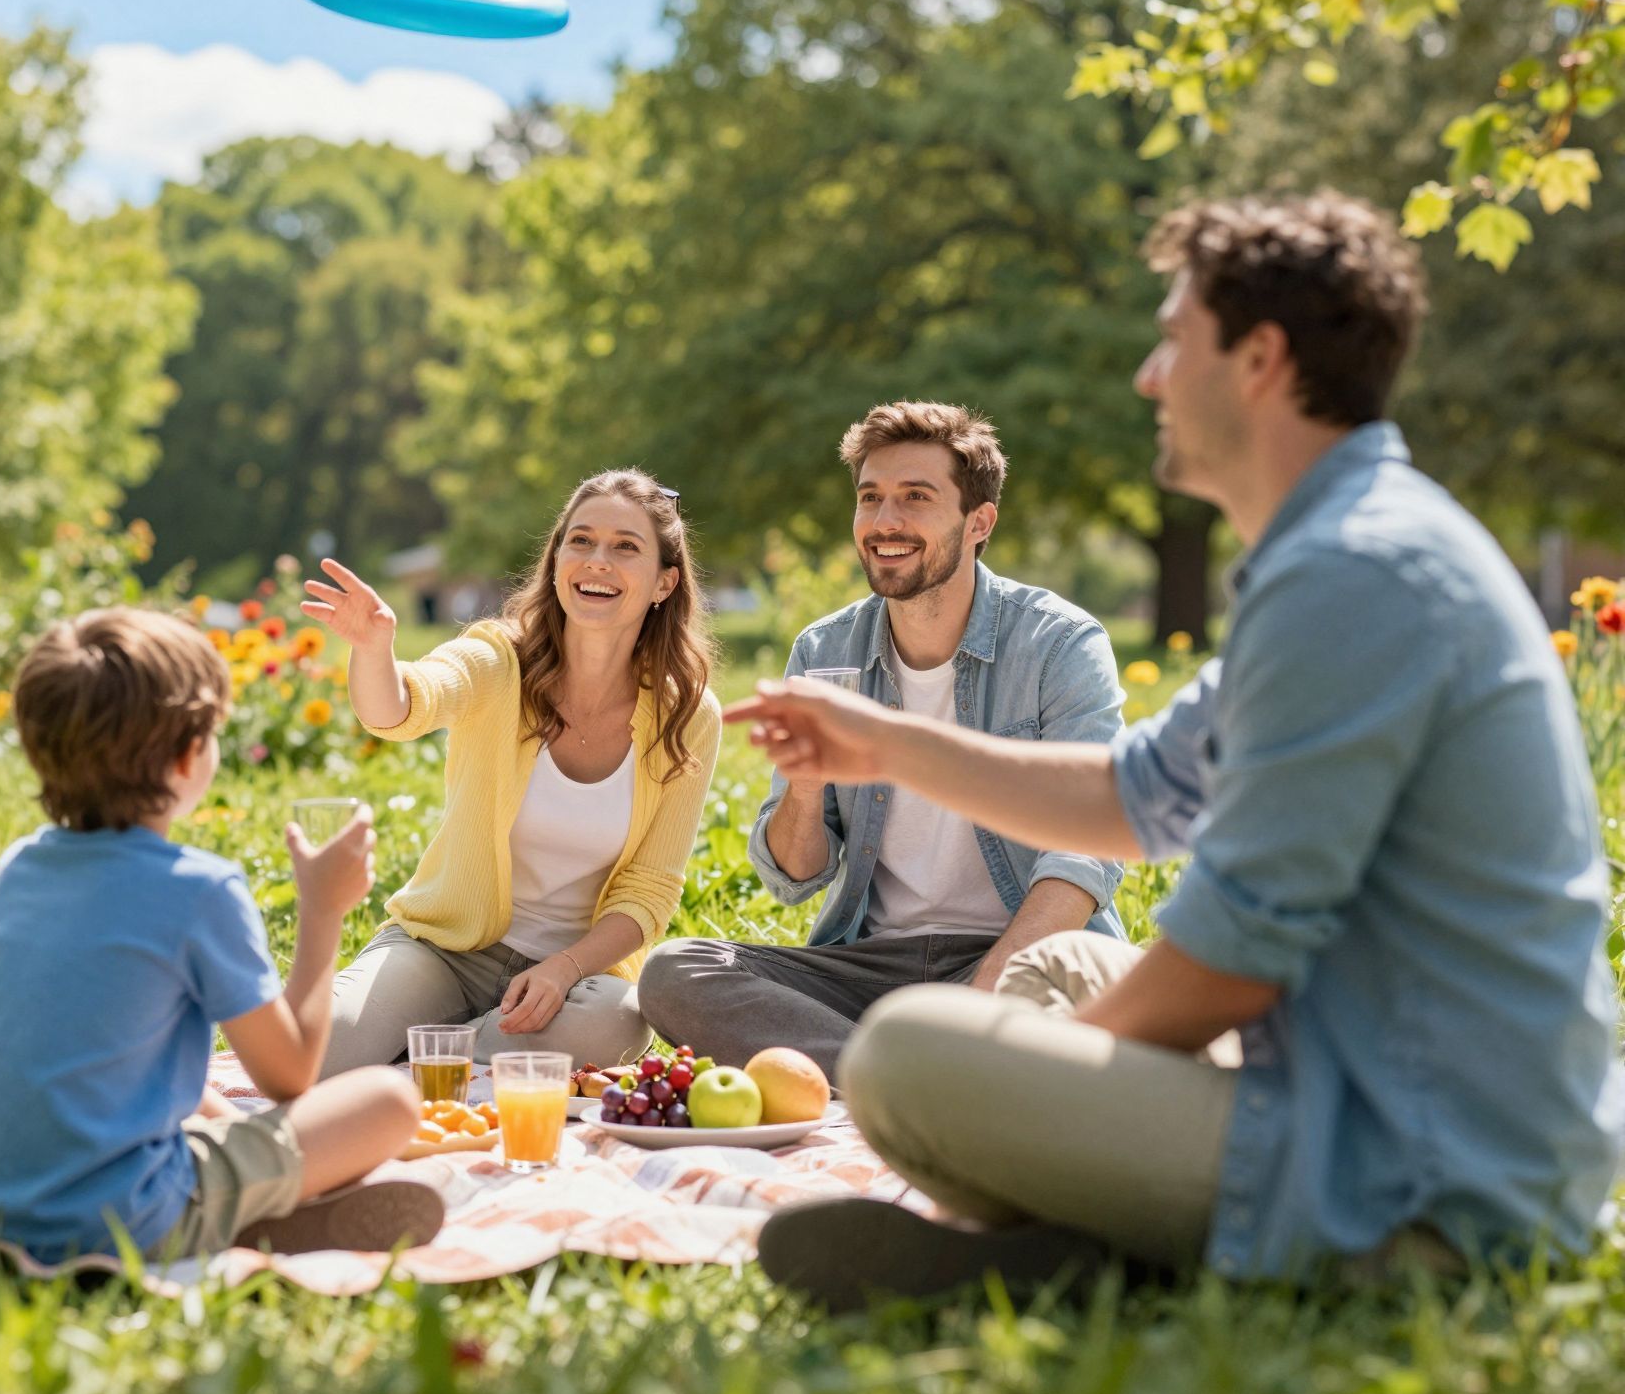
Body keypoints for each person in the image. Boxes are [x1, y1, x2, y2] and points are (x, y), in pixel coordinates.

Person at [729, 192, 1625, 1309]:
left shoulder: (1356, 574)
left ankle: (1122, 1236)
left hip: (1427, 1172)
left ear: (1256, 359)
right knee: (1052, 971)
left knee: (911, 1058)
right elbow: (1133, 790)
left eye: (1171, 340)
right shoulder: (1345, 545)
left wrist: (1035, 1101)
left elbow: (1229, 958)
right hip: (1348, 1069)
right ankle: (1084, 1242)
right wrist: (889, 747)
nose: (1149, 376)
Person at [0, 608, 439, 1263]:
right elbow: (289, 1078)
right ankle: (243, 1218)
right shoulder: (200, 890)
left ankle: (249, 1207)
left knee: (204, 1096)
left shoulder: (18, 868)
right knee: (389, 1099)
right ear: (187, 755)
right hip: (115, 1220)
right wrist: (321, 911)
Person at [637, 403, 1125, 1076]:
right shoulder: (826, 649)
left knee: (1098, 1001)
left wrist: (986, 1000)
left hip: (1017, 959)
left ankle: (887, 1070)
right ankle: (909, 1077)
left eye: (915, 499)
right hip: (871, 968)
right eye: (870, 499)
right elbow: (795, 877)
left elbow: (1087, 853)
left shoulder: (1058, 644)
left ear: (978, 522)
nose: (884, 523)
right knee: (675, 971)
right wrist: (805, 783)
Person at [306, 470, 722, 1075]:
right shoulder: (498, 661)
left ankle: (412, 1070)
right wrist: (375, 652)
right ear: (556, 563)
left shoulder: (686, 713)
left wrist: (566, 967)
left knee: (615, 1022)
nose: (596, 560)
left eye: (625, 547)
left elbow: (650, 891)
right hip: (444, 950)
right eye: (579, 541)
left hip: (573, 978)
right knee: (318, 1049)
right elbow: (403, 706)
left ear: (664, 582)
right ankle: (456, 1067)